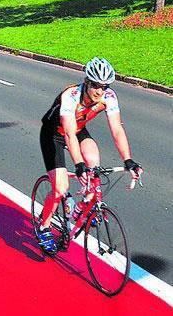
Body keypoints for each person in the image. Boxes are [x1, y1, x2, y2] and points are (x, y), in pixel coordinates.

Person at [37, 57, 143, 254]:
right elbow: (68, 133)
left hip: (78, 131)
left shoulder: (108, 97)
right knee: (60, 188)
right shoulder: (71, 95)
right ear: (86, 82)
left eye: (104, 86)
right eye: (95, 85)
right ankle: (44, 226)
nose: (99, 91)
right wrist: (78, 164)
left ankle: (81, 208)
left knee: (94, 162)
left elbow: (117, 130)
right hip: (54, 134)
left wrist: (128, 160)